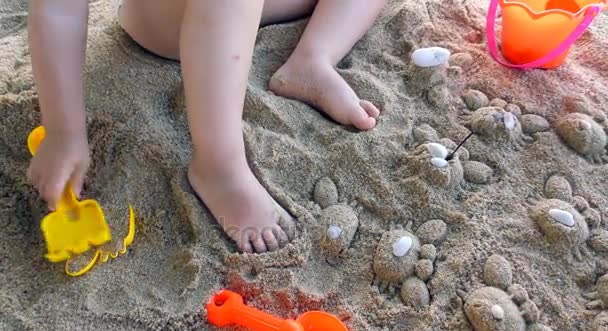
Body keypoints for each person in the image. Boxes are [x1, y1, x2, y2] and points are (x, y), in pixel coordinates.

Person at [27, 0, 386, 254]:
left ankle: (313, 57)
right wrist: (63, 131)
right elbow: (58, 9)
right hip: (174, 17)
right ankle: (219, 165)